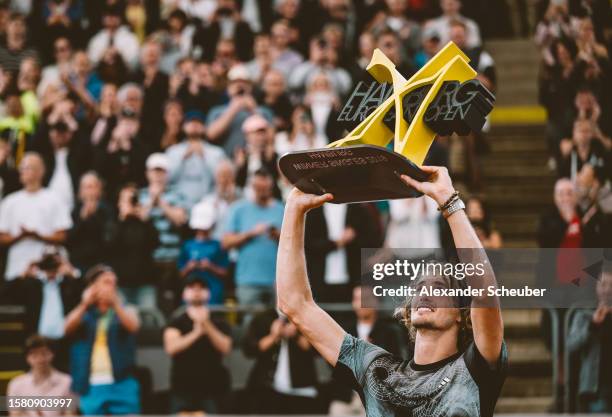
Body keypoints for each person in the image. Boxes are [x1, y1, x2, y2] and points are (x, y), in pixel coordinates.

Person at [276, 165, 506, 417]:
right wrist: (294, 210)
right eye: (418, 287)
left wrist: (449, 203)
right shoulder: (376, 371)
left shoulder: (475, 367)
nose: (424, 293)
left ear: (461, 314)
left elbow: (484, 293)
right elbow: (295, 304)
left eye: (439, 287)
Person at [64, 265, 141, 415]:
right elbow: (66, 329)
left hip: (122, 382)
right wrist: (84, 304)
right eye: (106, 282)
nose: (112, 286)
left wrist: (116, 304)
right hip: (91, 383)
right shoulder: (83, 313)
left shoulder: (126, 309)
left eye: (114, 282)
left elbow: (134, 327)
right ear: (92, 287)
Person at [1, 247, 82, 370]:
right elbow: (5, 294)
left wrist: (72, 272)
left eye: (55, 261)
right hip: (37, 341)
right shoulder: (32, 285)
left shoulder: (69, 284)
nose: (51, 265)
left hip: (65, 342)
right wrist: (25, 272)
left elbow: (87, 295)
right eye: (47, 260)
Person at [163, 277, 232, 414]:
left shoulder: (219, 322)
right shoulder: (176, 321)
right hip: (182, 389)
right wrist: (197, 332)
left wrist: (206, 324)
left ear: (209, 294)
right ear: (184, 294)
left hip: (213, 389)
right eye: (191, 288)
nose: (197, 291)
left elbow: (226, 347)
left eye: (201, 288)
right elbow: (171, 348)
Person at [0, 153, 72, 280]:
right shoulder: (10, 201)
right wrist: (21, 236)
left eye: (28, 168)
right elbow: (2, 236)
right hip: (16, 270)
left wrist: (37, 235)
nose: (23, 172)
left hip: (48, 273)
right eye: (22, 168)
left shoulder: (54, 199)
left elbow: (62, 235)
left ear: (40, 171)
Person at [222, 169, 284, 306]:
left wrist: (277, 235)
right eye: (259, 188)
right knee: (249, 323)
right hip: (248, 280)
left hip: (278, 281)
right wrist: (250, 234)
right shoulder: (239, 209)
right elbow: (225, 243)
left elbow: (296, 243)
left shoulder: (282, 209)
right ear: (252, 187)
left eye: (265, 188)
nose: (262, 192)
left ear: (271, 186)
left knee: (279, 324)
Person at [243, 308, 321, 414]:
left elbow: (318, 350)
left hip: (302, 391)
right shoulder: (264, 317)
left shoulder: (308, 315)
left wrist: (297, 334)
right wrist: (273, 336)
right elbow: (249, 349)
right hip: (267, 391)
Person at [139, 153, 188, 311]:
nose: (158, 176)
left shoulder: (177, 194)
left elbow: (180, 219)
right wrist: (152, 201)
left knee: (171, 303)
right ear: (148, 173)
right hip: (148, 260)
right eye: (155, 171)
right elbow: (139, 219)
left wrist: (160, 201)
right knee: (152, 303)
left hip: (171, 259)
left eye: (161, 172)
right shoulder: (141, 195)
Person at [567, 264, 612, 413]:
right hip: (595, 389)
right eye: (603, 284)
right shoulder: (584, 314)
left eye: (611, 285)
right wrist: (593, 326)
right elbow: (571, 345)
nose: (607, 290)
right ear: (596, 287)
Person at [109, 184, 159, 310]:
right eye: (126, 200)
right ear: (119, 203)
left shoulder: (145, 222)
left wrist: (145, 220)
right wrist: (122, 219)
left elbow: (155, 243)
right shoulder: (113, 223)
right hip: (122, 282)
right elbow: (110, 247)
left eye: (133, 200)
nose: (131, 203)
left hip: (145, 282)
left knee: (147, 321)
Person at [206, 64, 274, 156]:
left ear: (250, 86)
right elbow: (210, 135)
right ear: (228, 87)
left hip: (256, 163)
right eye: (235, 82)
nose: (240, 85)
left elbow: (271, 138)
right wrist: (232, 110)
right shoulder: (217, 111)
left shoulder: (264, 111)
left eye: (244, 82)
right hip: (227, 164)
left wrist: (254, 110)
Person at [165, 111, 228, 208]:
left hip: (208, 202)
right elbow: (166, 179)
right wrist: (182, 159)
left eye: (198, 123)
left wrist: (205, 158)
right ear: (183, 127)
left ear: (204, 127)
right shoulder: (173, 151)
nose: (194, 125)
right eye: (190, 122)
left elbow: (222, 179)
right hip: (178, 202)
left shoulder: (216, 152)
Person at [7, 335, 76, 417]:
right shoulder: (16, 384)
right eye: (34, 354)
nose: (40, 359)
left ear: (52, 354)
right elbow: (15, 415)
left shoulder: (67, 382)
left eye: (44, 353)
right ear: (27, 357)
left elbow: (70, 414)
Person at [178, 201, 229, 305]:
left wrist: (210, 267)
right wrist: (189, 266)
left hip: (213, 294)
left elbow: (225, 272)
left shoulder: (218, 245)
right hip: (191, 295)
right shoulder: (187, 245)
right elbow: (180, 272)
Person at [66, 172, 114, 273]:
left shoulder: (107, 210)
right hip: (78, 264)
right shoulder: (74, 211)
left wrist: (95, 216)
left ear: (99, 189)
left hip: (101, 264)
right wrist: (82, 219)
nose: (89, 191)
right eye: (86, 187)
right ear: (80, 191)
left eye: (92, 187)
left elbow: (109, 239)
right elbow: (68, 239)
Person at [87, 4, 140, 71]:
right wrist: (102, 56)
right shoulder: (96, 39)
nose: (111, 18)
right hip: (100, 76)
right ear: (103, 19)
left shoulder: (130, 38)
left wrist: (118, 55)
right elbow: (91, 61)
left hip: (124, 74)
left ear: (120, 18)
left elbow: (134, 62)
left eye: (114, 15)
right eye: (108, 15)